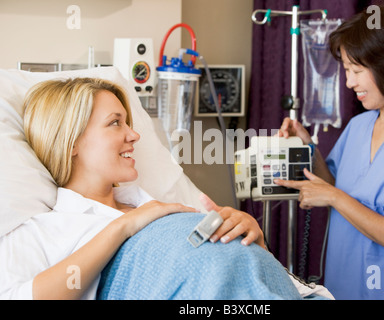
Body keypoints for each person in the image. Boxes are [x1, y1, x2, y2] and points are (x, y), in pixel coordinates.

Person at [0, 77, 310, 300]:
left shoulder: (159, 203)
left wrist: (253, 238)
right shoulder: (45, 230)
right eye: (115, 123)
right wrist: (123, 227)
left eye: (128, 123)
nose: (134, 135)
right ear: (71, 142)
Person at [275, 5, 384, 300]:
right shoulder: (360, 125)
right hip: (347, 285)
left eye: (356, 71)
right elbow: (336, 186)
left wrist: (333, 197)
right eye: (346, 70)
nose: (349, 82)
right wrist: (307, 146)